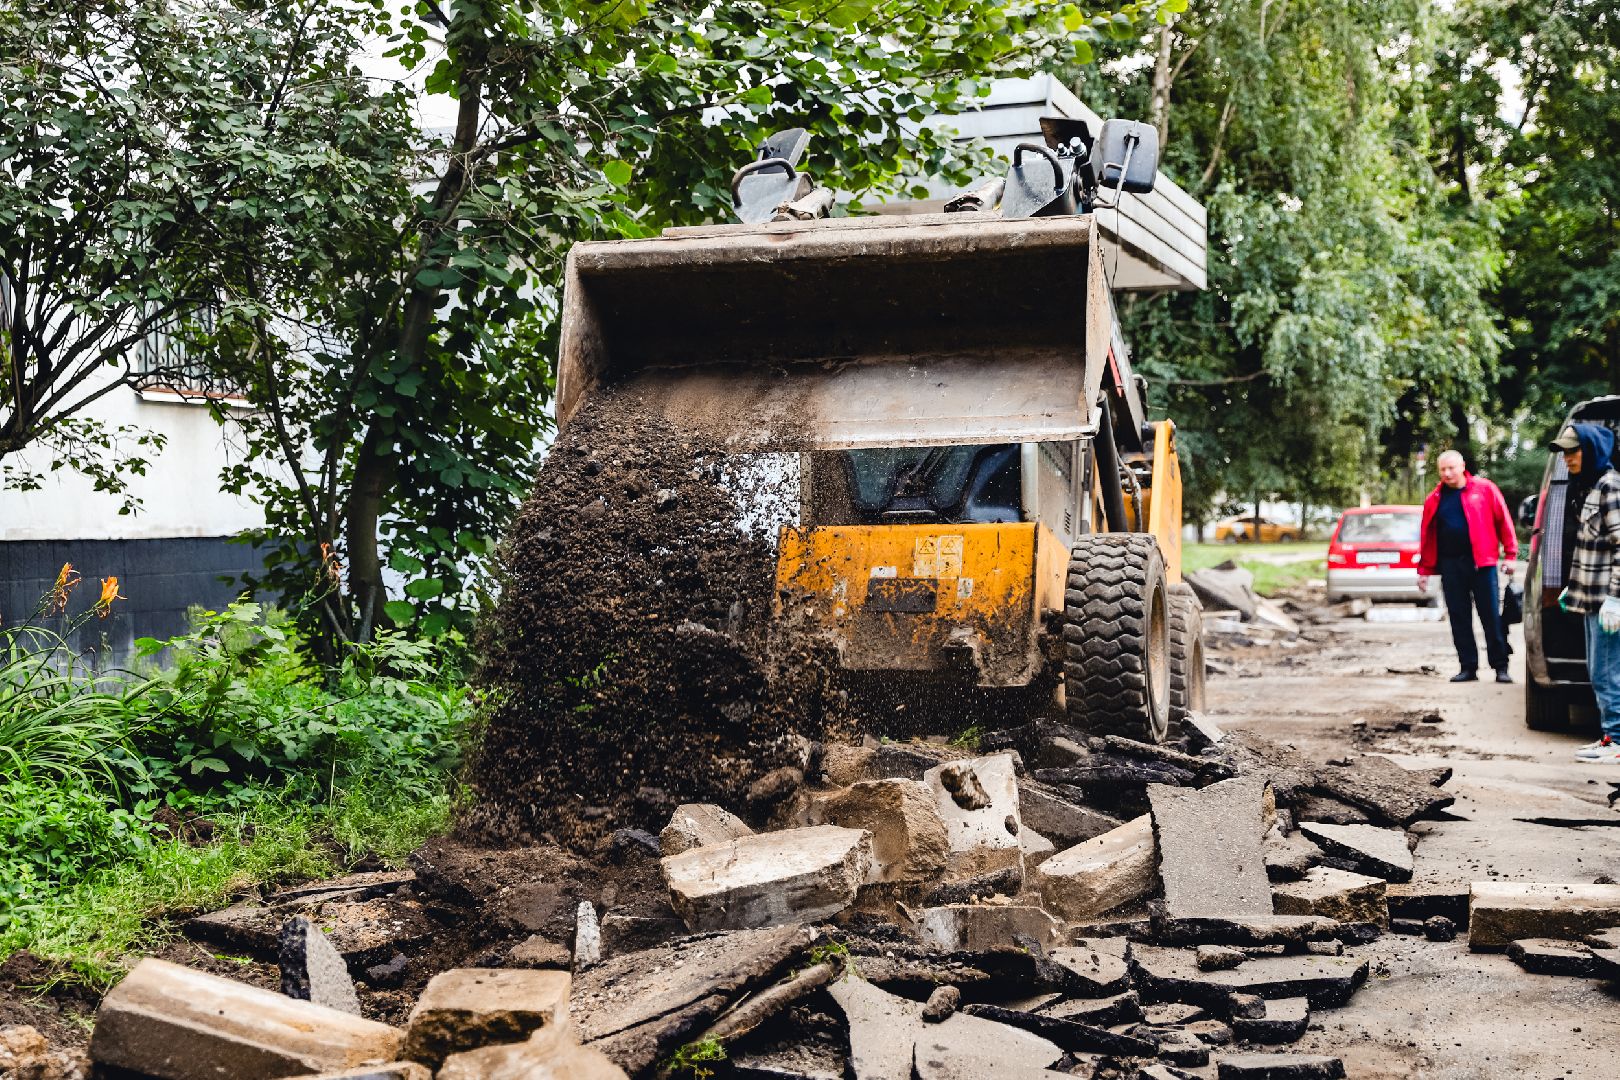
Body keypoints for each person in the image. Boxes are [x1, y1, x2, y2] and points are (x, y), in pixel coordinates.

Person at [1417, 449, 1518, 683]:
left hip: (1482, 564)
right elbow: (1427, 536)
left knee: (1491, 617)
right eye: (1442, 469)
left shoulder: (1484, 489)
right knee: (1459, 618)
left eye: (1451, 468)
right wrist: (1424, 570)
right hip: (1451, 565)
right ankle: (1468, 667)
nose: (1447, 473)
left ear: (1462, 466)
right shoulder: (1434, 499)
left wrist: (1511, 554)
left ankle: (1500, 667)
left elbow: (1503, 521)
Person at [1551, 423, 1620, 762]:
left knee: (1607, 673)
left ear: (1591, 450)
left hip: (1607, 602)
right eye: (1564, 452)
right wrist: (1573, 587)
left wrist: (1616, 598)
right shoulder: (1591, 487)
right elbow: (1592, 548)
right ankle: (1609, 736)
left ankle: (1617, 740)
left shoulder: (1611, 486)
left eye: (1573, 451)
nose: (1567, 458)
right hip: (1591, 600)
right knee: (1598, 672)